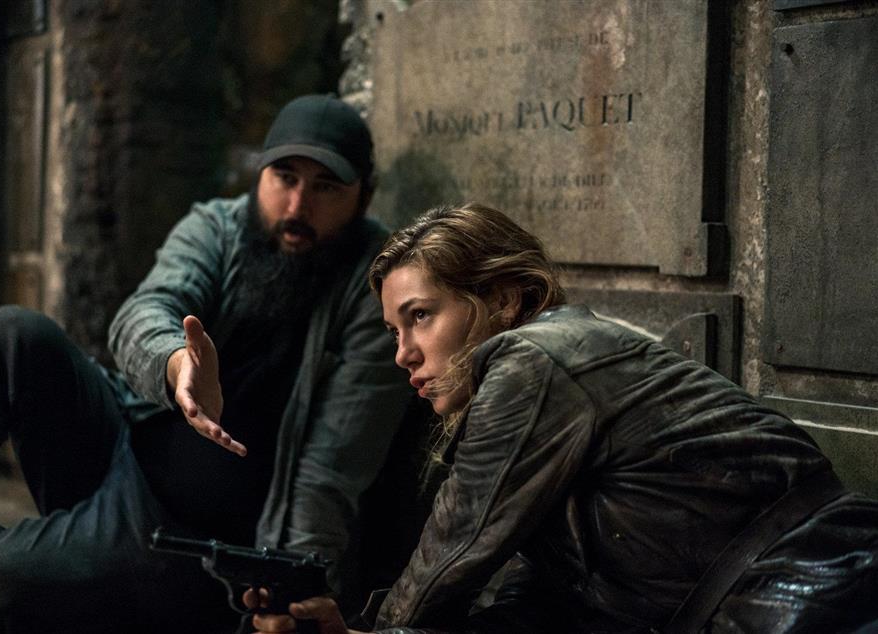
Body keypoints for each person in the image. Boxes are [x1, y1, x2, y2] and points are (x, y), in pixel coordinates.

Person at [246, 203, 878, 634]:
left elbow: (456, 545)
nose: (402, 354)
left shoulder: (535, 359)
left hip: (828, 596)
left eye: (420, 316)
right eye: (393, 330)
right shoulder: (550, 402)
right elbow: (537, 600)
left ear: (502, 299)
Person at [0, 94, 413, 632]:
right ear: (261, 176)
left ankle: (2, 547)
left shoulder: (376, 287)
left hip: (175, 532)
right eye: (285, 177)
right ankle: (54, 543)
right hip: (122, 435)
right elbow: (144, 313)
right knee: (13, 334)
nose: (298, 206)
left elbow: (332, 466)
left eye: (325, 187)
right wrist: (178, 365)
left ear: (363, 196)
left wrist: (287, 590)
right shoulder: (216, 227)